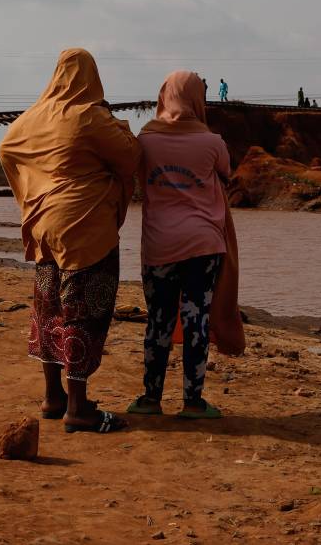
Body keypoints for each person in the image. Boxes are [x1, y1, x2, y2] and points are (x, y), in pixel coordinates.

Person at [0, 48, 138, 434]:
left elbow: (6, 149)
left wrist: (32, 192)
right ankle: (78, 408)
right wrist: (117, 122)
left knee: (49, 311)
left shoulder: (33, 116)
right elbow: (130, 157)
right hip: (84, 225)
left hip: (44, 226)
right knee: (82, 312)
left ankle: (52, 397)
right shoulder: (90, 116)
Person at [128, 71, 236, 421]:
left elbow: (135, 175)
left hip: (159, 243)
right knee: (196, 320)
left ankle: (150, 398)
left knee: (158, 321)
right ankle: (192, 402)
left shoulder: (146, 140)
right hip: (203, 244)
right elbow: (226, 174)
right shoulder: (212, 142)